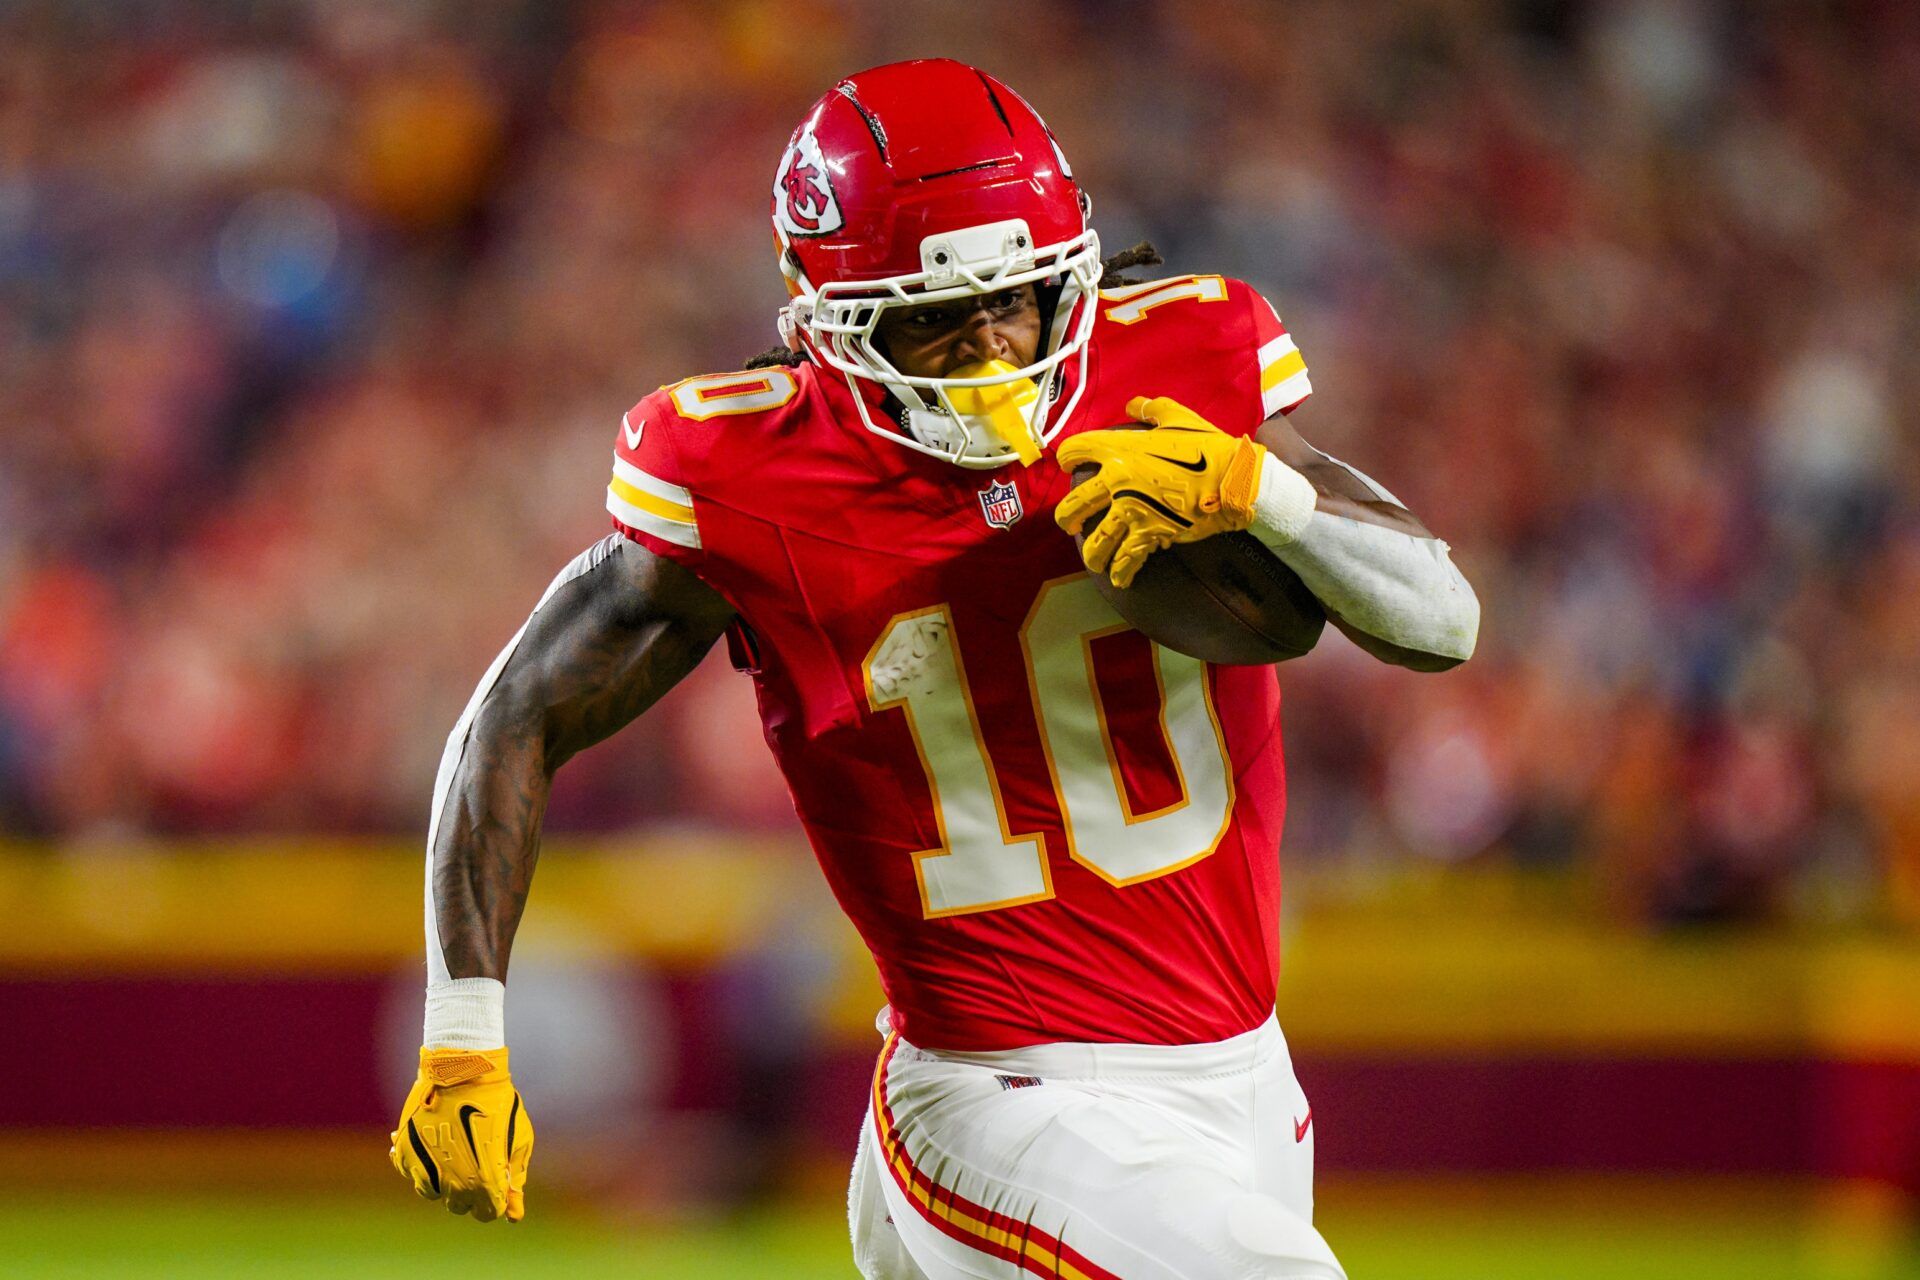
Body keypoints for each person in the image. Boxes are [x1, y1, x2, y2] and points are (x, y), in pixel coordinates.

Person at [389, 58, 1478, 1280]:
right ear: (827, 321)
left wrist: (1259, 491)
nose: (989, 351)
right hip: (995, 1097)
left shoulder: (1181, 369)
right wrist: (463, 1034)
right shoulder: (747, 471)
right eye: (932, 319)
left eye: (1011, 301)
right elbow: (515, 715)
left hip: (1243, 1078)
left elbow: (1443, 621)